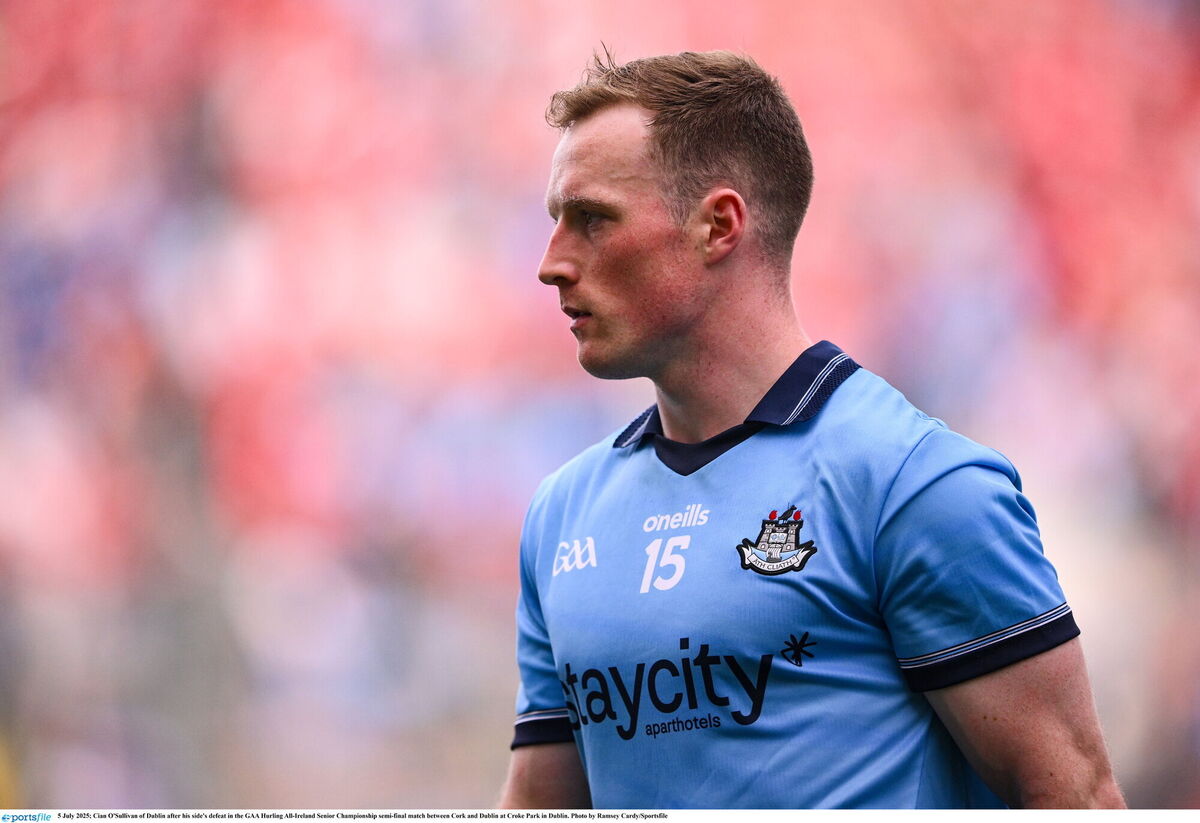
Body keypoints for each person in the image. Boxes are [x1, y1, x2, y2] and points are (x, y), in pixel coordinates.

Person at [498, 49, 1125, 809]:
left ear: (718, 226)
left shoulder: (915, 487)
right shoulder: (562, 514)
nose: (551, 262)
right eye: (555, 221)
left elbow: (1074, 796)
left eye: (592, 219)